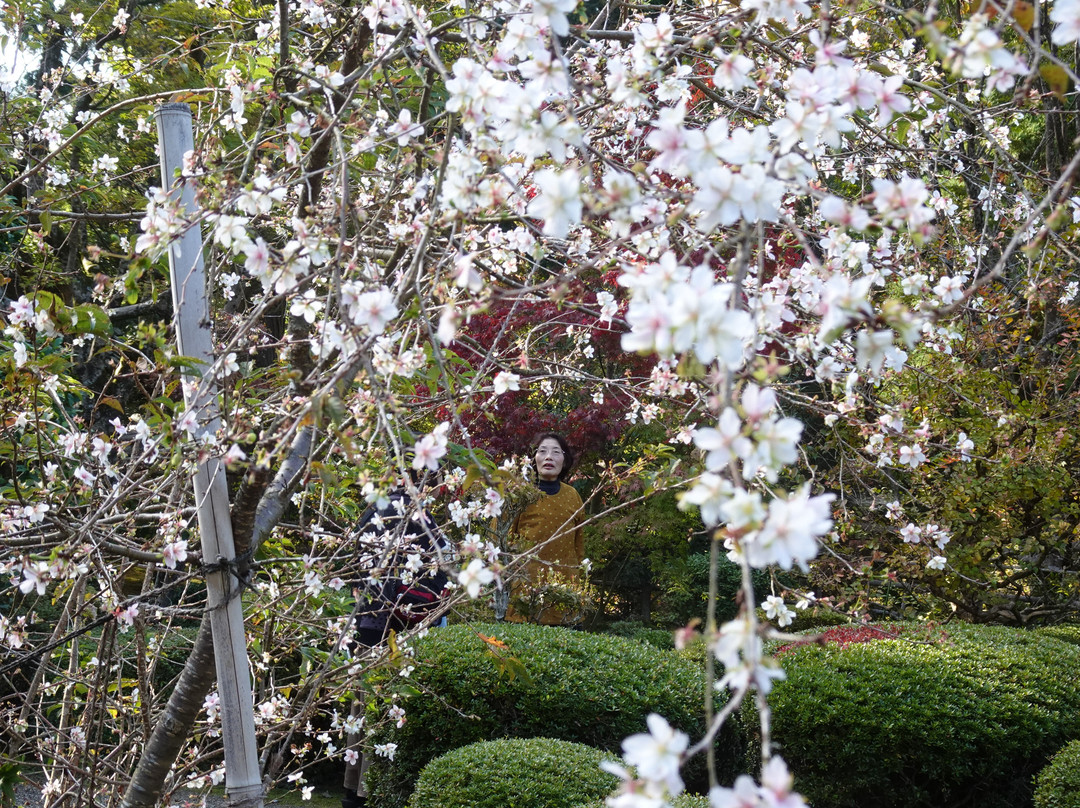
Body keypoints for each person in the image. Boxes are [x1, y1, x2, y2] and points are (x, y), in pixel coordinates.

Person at [343, 476, 449, 808]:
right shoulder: (411, 512)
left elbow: (353, 571)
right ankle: (373, 792)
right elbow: (438, 573)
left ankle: (354, 790)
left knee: (363, 708)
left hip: (370, 624)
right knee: (385, 710)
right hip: (394, 628)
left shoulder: (375, 509)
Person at [507, 432, 586, 625]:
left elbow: (579, 545)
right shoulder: (519, 493)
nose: (549, 457)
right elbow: (503, 541)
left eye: (556, 452)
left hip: (565, 591)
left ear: (565, 460)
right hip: (524, 592)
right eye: (542, 451)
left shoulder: (573, 496)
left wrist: (580, 583)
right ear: (533, 459)